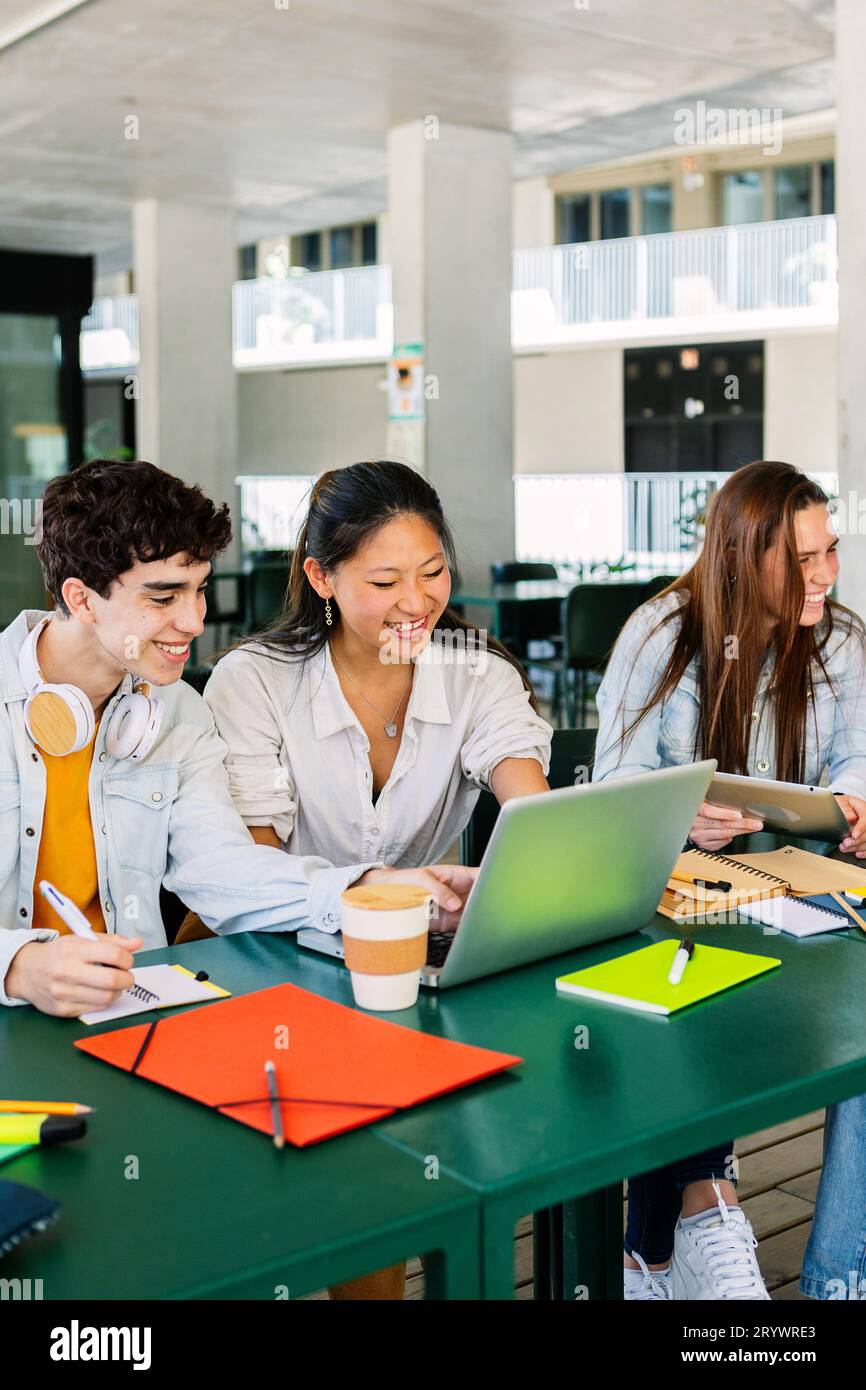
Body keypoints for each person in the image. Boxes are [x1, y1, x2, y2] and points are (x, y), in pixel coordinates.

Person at [201, 458, 554, 1300]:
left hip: (414, 975)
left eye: (433, 573)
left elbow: (534, 819)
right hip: (278, 968)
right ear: (320, 577)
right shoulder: (254, 683)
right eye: (386, 579)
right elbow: (252, 878)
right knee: (369, 1163)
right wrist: (383, 887)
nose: (417, 602)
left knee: (500, 1123)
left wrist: (521, 868)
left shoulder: (476, 673)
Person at [0, 458, 478, 1017]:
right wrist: (18, 965)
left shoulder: (177, 712)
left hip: (133, 1013)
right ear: (81, 598)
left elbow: (224, 871)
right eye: (163, 598)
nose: (195, 621)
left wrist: (375, 887)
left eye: (199, 590)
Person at [593, 460, 866, 1301]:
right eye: (802, 558)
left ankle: (839, 1277)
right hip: (682, 892)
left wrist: (855, 800)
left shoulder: (843, 640)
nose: (823, 575)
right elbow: (610, 786)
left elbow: (855, 753)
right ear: (744, 555)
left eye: (830, 551)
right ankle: (688, 1226)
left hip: (801, 882)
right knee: (687, 972)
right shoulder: (660, 633)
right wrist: (678, 817)